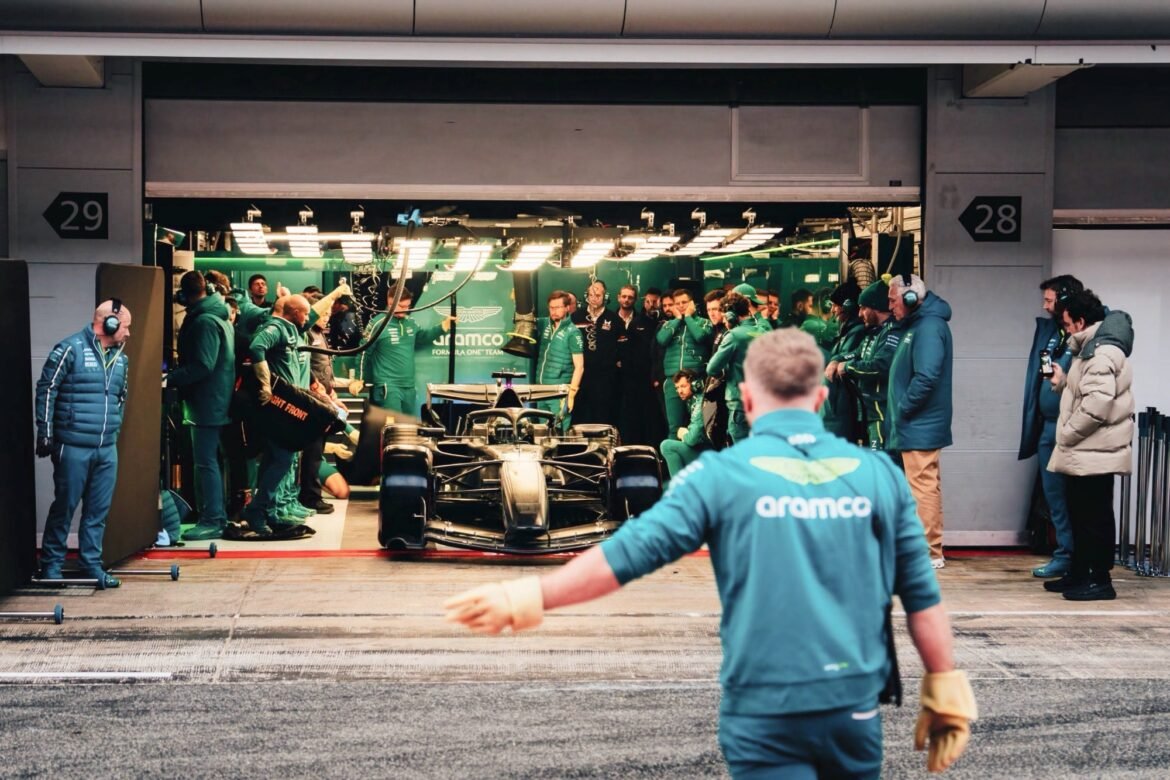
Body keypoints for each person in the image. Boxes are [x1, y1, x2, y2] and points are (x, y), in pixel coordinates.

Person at [445, 329, 977, 779]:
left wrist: (531, 595)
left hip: (765, 709)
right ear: (819, 401)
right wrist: (943, 683)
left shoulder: (719, 476)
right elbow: (923, 599)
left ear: (746, 400)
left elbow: (627, 555)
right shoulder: (879, 475)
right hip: (853, 710)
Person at [35, 300, 133, 588]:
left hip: (105, 448)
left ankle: (91, 564)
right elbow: (47, 388)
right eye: (125, 327)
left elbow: (121, 398)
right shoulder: (69, 349)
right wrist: (46, 430)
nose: (128, 334)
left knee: (97, 511)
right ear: (109, 324)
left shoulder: (121, 359)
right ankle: (51, 565)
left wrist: (114, 432)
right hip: (73, 445)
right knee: (65, 506)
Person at [1044, 290, 1134, 601]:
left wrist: (1066, 434)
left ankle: (1098, 579)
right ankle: (1081, 573)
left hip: (1093, 450)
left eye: (1068, 324)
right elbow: (1086, 393)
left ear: (1081, 322)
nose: (1066, 329)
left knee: (1093, 517)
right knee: (1081, 514)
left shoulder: (1101, 353)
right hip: (1087, 451)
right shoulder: (1091, 350)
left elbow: (1097, 404)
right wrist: (1062, 382)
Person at [887, 273, 954, 569]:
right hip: (916, 422)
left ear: (911, 298)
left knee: (922, 486)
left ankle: (928, 552)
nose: (890, 306)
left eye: (893, 300)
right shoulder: (918, 325)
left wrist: (903, 408)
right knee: (924, 485)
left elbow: (927, 377)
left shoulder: (928, 328)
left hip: (919, 423)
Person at [1019, 275, 1084, 579]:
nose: (1045, 306)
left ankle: (1076, 556)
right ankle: (1064, 553)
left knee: (1074, 495)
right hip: (1047, 425)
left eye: (1049, 300)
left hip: (1071, 427)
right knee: (1053, 493)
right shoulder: (1050, 331)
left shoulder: (1085, 332)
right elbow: (1043, 372)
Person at [167, 271, 236, 541]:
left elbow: (203, 365)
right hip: (214, 400)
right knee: (210, 462)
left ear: (184, 295)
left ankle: (212, 519)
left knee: (205, 462)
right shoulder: (217, 316)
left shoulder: (204, 322)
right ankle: (213, 515)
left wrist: (169, 378)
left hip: (207, 402)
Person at [350, 287, 456, 415]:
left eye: (407, 306)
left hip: (409, 387)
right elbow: (364, 351)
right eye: (400, 306)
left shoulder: (410, 322)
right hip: (387, 387)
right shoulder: (378, 323)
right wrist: (358, 378)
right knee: (393, 429)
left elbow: (423, 337)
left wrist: (443, 327)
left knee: (408, 429)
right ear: (390, 302)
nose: (404, 310)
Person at [836, 277, 902, 450]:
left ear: (876, 308)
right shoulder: (872, 333)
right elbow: (855, 354)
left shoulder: (891, 333)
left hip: (882, 414)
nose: (859, 314)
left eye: (863, 308)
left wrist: (848, 367)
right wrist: (838, 360)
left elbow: (880, 366)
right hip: (869, 413)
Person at [656, 288, 713, 433]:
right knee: (674, 427)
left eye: (684, 302)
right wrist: (678, 319)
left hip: (695, 379)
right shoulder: (668, 324)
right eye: (677, 303)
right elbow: (661, 340)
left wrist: (688, 317)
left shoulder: (704, 322)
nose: (681, 306)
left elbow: (700, 336)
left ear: (692, 303)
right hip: (673, 381)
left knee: (699, 426)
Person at [615, 284, 665, 446]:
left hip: (654, 377)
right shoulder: (634, 322)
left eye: (655, 302)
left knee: (653, 418)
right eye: (648, 302)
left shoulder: (662, 323)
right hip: (630, 378)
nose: (651, 305)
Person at [706, 292, 755, 444]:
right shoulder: (764, 332)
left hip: (740, 406)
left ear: (731, 315)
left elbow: (712, 368)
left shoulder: (733, 336)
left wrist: (724, 372)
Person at [570, 280, 622, 426]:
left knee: (603, 416)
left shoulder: (614, 319)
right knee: (580, 415)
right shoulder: (575, 317)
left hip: (605, 378)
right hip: (581, 376)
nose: (594, 298)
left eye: (598, 295)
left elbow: (623, 346)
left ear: (605, 296)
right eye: (591, 294)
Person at [531, 290, 584, 429]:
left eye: (558, 307)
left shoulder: (573, 332)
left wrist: (572, 394)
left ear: (567, 308)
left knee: (558, 434)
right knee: (541, 433)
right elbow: (525, 321)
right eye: (551, 307)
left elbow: (580, 366)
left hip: (559, 393)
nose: (554, 311)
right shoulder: (543, 324)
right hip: (540, 390)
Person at [822, 282, 866, 442]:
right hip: (837, 410)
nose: (833, 310)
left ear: (847, 305)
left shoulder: (858, 331)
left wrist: (837, 359)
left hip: (844, 411)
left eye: (835, 305)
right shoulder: (847, 331)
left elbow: (849, 355)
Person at [658, 370, 709, 479]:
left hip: (709, 455)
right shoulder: (692, 401)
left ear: (696, 384)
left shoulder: (700, 401)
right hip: (705, 452)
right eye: (677, 388)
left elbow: (692, 439)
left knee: (666, 446)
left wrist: (683, 434)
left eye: (683, 386)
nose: (679, 391)